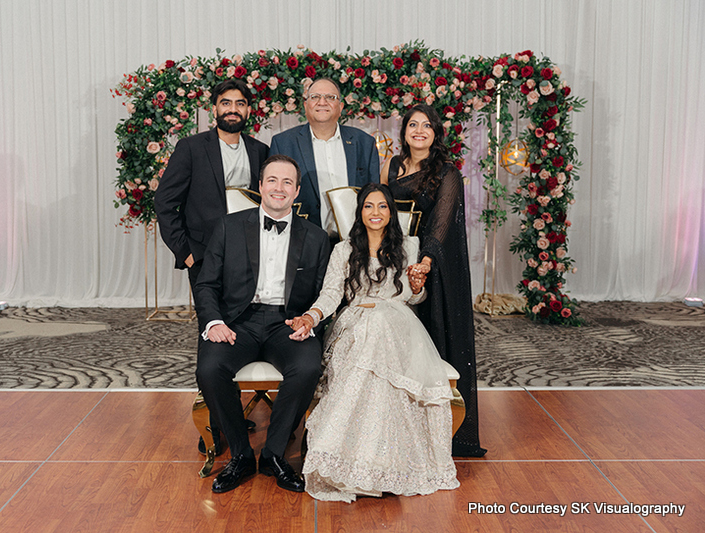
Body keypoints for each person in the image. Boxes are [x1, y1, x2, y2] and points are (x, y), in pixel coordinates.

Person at [289, 183, 459, 502]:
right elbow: (331, 294)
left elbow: (413, 298)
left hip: (397, 324)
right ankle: (345, 458)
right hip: (354, 324)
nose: (376, 212)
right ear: (360, 212)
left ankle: (383, 462)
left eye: (382, 206)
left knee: (381, 323)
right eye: (369, 206)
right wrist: (311, 316)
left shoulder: (409, 245)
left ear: (391, 212)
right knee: (370, 328)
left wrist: (417, 284)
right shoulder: (343, 249)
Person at [195, 154, 330, 494]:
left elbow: (324, 293)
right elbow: (206, 283)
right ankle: (240, 455)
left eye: (287, 182)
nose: (279, 188)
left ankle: (273, 454)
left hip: (287, 323)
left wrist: (309, 321)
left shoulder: (315, 238)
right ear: (260, 186)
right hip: (237, 321)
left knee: (307, 366)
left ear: (297, 191)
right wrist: (213, 323)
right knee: (210, 369)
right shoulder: (228, 227)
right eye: (272, 180)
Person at [381, 104, 486, 457]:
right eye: (413, 124)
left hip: (434, 268)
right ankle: (399, 422)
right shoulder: (392, 166)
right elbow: (378, 210)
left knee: (434, 342)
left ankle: (438, 427)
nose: (420, 130)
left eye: (427, 125)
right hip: (394, 262)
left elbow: (439, 226)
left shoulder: (447, 173)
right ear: (404, 131)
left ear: (436, 133)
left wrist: (423, 265)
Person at [154, 78, 269, 289]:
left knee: (244, 320)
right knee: (210, 320)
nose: (232, 109)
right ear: (214, 109)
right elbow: (164, 202)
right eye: (226, 103)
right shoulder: (191, 148)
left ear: (249, 110)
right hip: (203, 253)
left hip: (251, 254)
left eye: (240, 104)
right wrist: (185, 251)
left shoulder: (260, 150)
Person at [269, 78, 379, 240]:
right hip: (302, 240)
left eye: (330, 97)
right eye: (315, 97)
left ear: (341, 107)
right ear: (305, 106)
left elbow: (375, 194)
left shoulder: (364, 143)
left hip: (356, 241)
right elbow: (274, 197)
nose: (322, 102)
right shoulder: (284, 143)